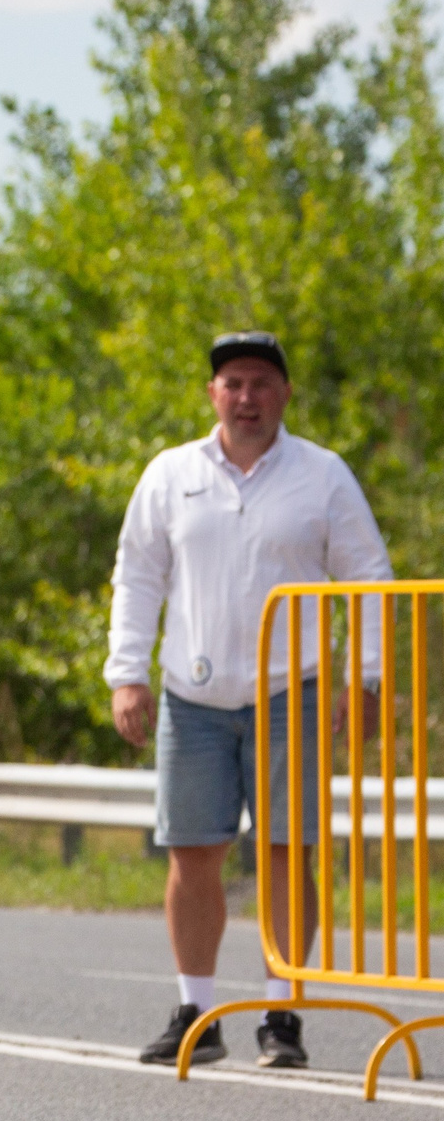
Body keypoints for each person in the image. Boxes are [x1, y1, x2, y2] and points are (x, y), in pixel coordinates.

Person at [107, 332, 389, 1070]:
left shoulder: (322, 475)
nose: (247, 397)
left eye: (262, 383)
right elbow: (137, 575)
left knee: (288, 851)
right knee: (192, 851)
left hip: (288, 691)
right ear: (213, 394)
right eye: (233, 382)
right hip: (191, 696)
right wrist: (126, 673)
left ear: (285, 393)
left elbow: (368, 576)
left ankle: (281, 1012)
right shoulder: (172, 473)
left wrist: (366, 678)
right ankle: (196, 1011)